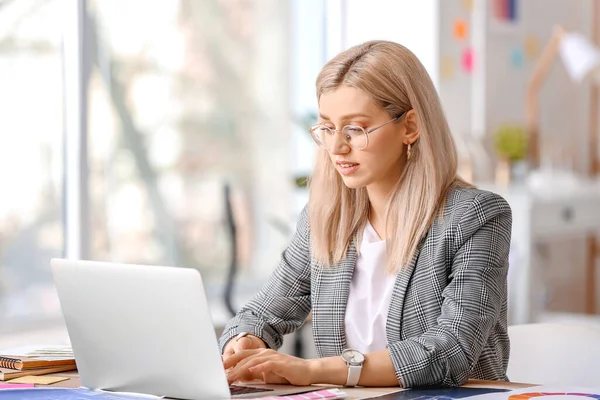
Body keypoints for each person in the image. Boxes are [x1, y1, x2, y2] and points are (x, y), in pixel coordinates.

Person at [219, 40, 511, 389]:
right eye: (327, 128)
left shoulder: (475, 217)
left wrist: (315, 371)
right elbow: (261, 313)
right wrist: (246, 342)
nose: (337, 147)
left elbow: (451, 351)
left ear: (410, 127)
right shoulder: (323, 219)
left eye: (355, 129)